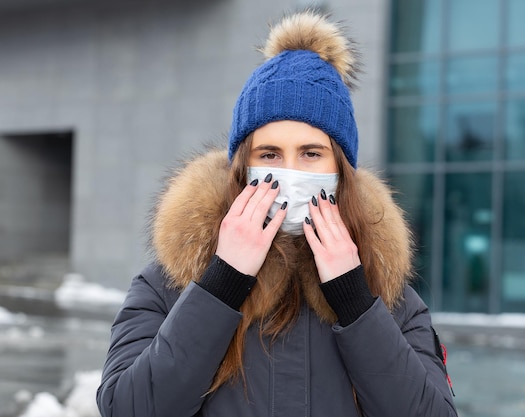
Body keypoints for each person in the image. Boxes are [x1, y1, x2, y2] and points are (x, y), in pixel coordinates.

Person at [96, 11, 457, 417]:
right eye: (269, 154)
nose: (290, 171)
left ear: (340, 172)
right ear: (241, 168)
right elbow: (126, 409)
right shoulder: (168, 283)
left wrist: (354, 299)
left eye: (311, 154)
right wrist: (222, 280)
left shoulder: (388, 295)